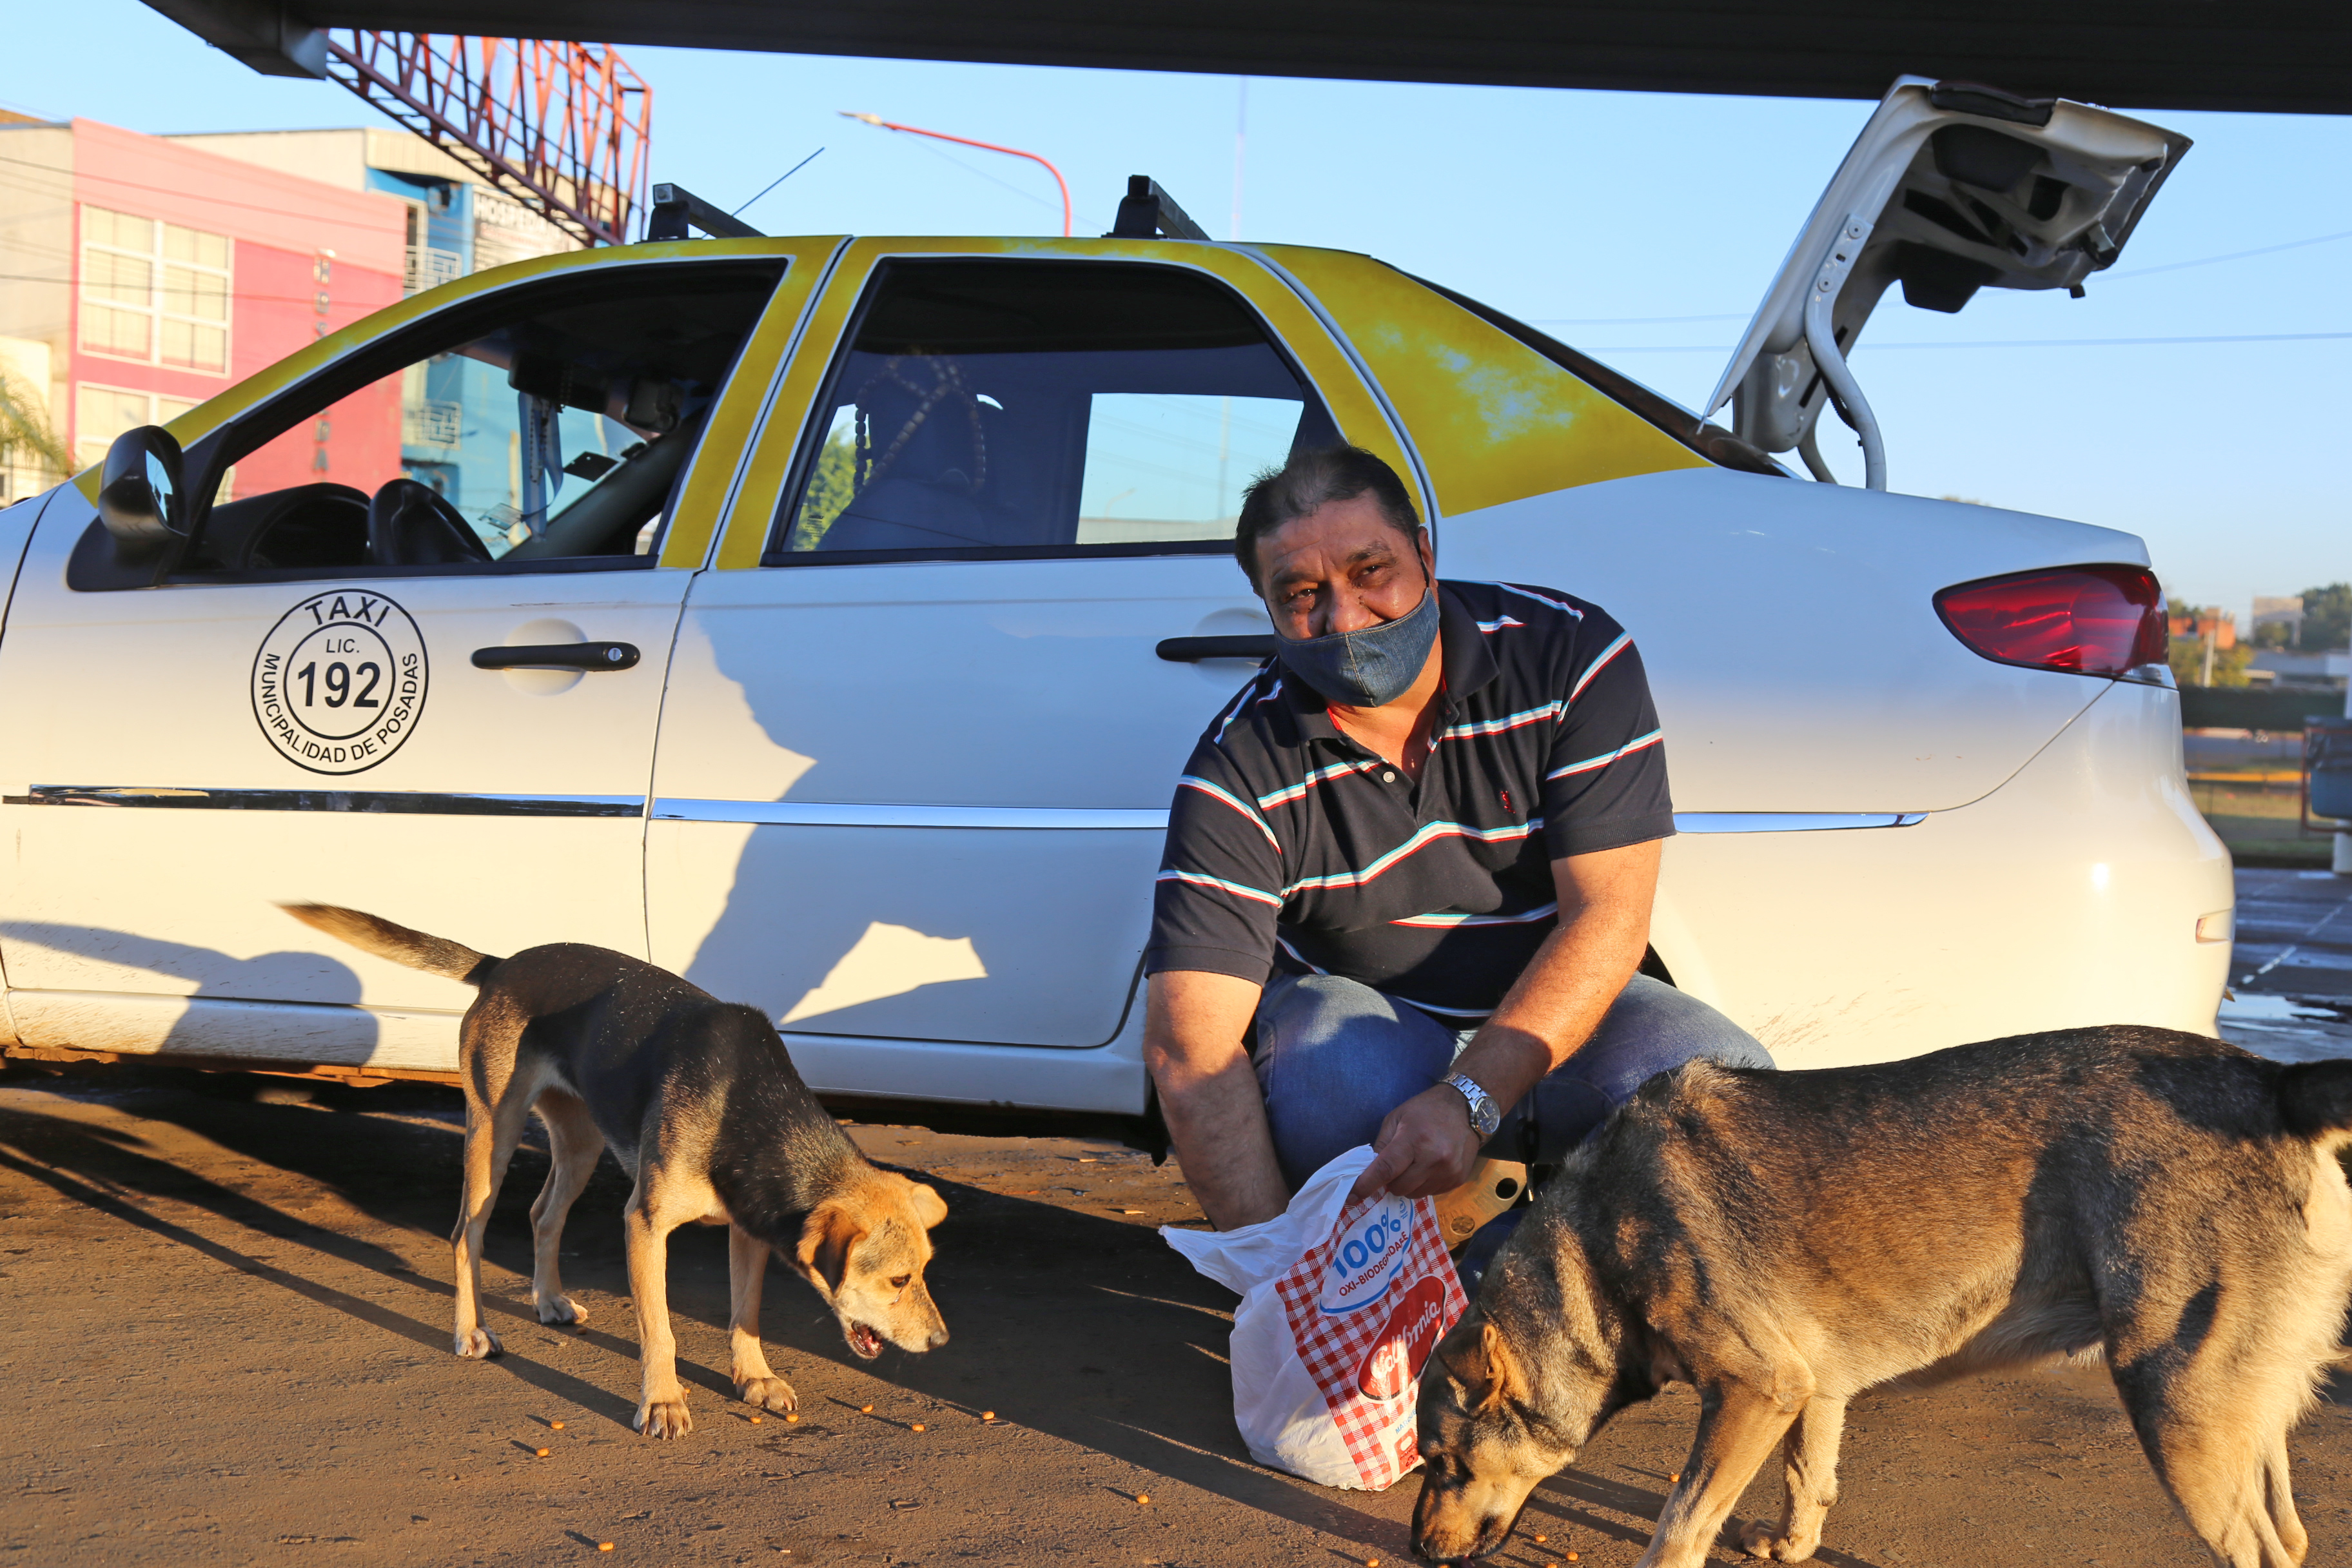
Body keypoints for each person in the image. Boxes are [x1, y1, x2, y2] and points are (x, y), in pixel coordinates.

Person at [1142, 445, 1770, 1232]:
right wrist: (1275, 1277)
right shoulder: (1237, 769)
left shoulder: (1569, 656)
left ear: (1426, 555)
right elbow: (1189, 1048)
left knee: (1726, 1093)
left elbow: (1607, 917)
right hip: (1372, 1023)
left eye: (1371, 570)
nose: (1345, 617)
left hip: (1563, 1002)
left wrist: (1469, 1097)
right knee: (1328, 1076)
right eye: (1302, 593)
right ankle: (1369, 1285)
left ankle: (1584, 1286)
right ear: (1267, 608)